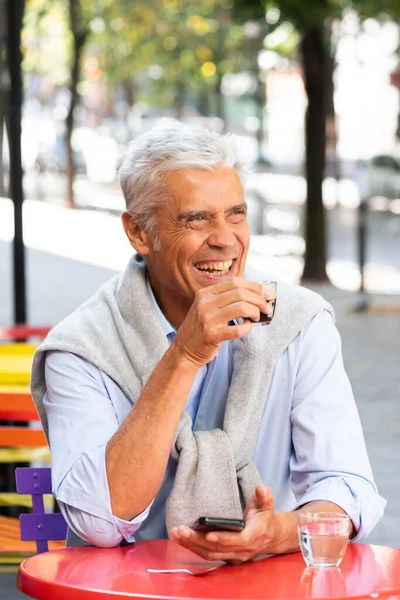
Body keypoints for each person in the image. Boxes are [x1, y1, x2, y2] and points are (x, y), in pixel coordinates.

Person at [31, 122, 385, 562]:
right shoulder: (80, 347)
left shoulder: (298, 322)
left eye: (235, 214)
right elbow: (98, 522)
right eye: (196, 219)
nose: (224, 239)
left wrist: (278, 532)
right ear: (139, 232)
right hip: (130, 590)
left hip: (271, 585)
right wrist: (184, 356)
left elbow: (346, 485)